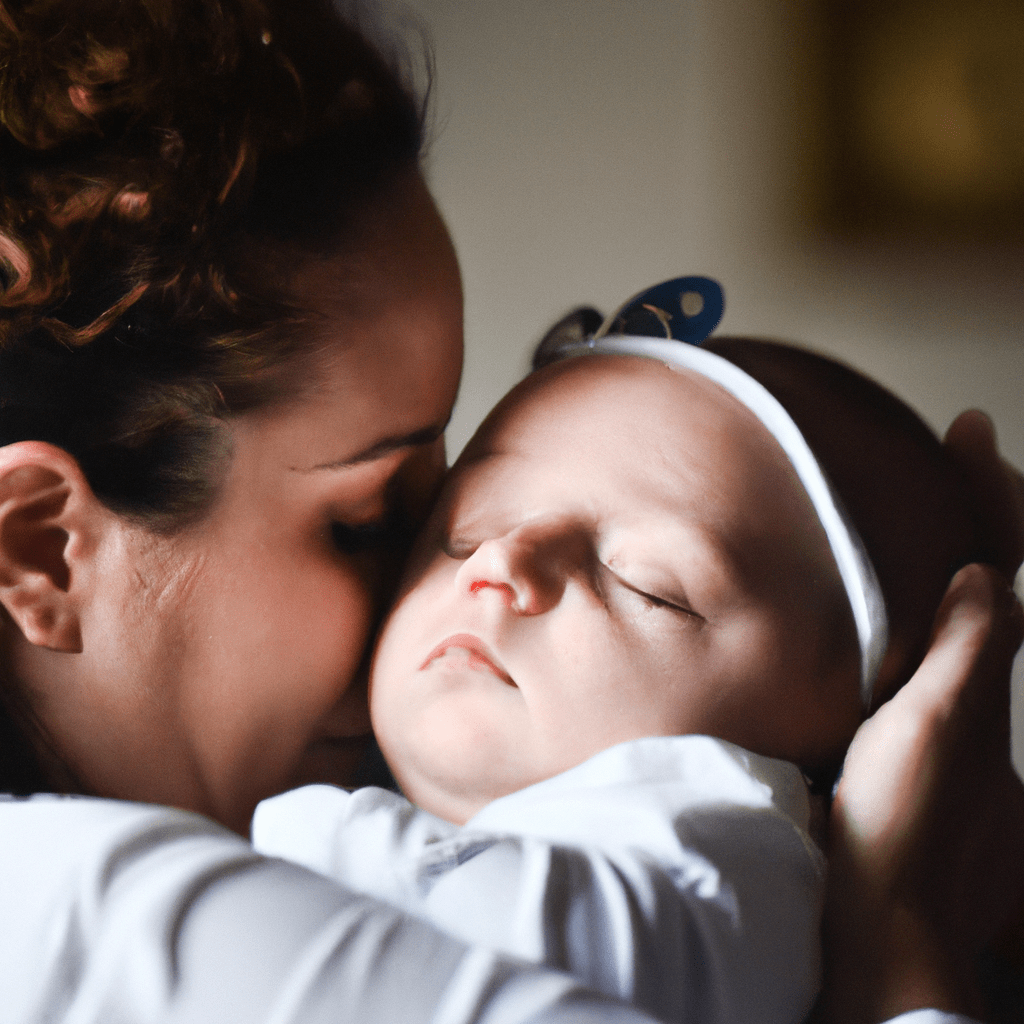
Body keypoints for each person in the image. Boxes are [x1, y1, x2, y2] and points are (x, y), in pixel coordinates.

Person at [0, 2, 1020, 1022]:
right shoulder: (125, 918)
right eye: (362, 520)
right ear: (39, 548)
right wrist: (898, 928)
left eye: (440, 504)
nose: (470, 580)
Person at [251, 325, 1000, 1024]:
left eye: (647, 585)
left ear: (846, 735)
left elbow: (477, 950)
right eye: (463, 529)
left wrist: (288, 835)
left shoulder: (725, 855)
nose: (499, 565)